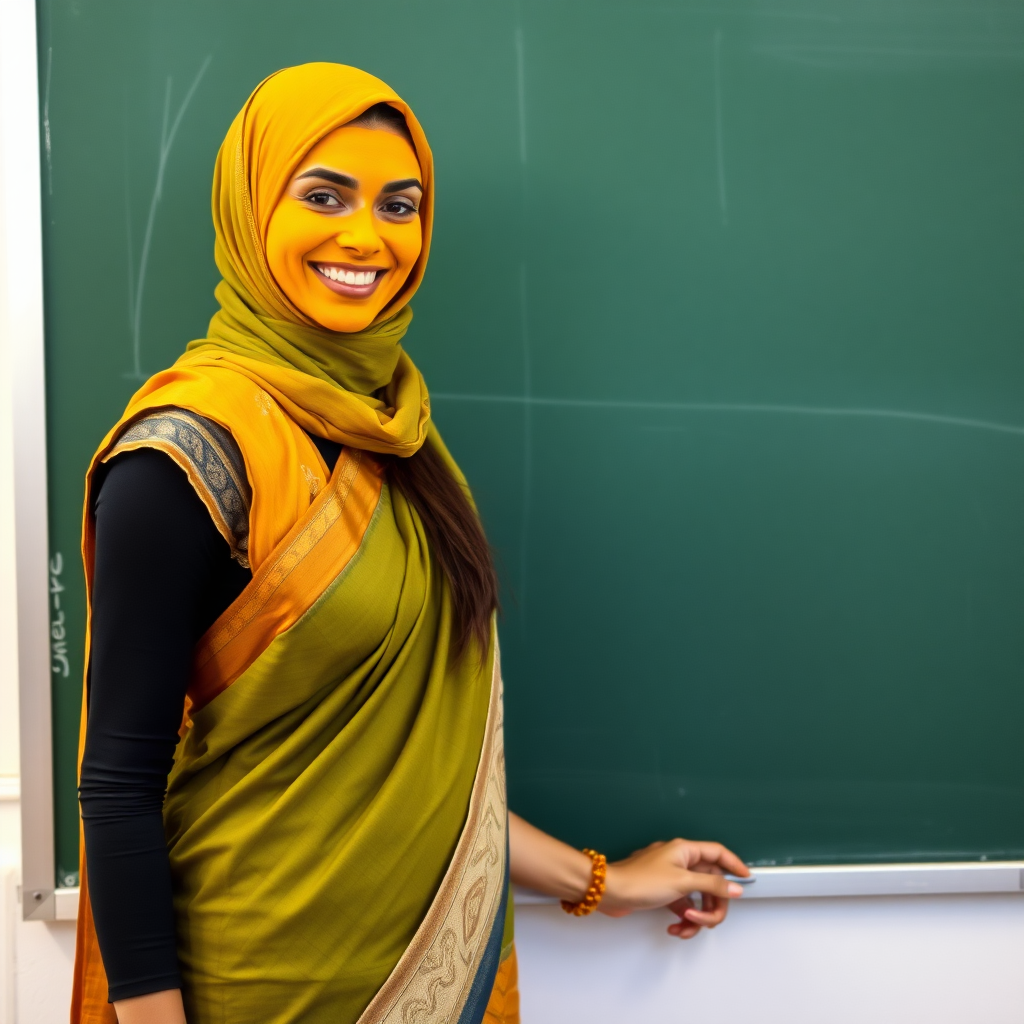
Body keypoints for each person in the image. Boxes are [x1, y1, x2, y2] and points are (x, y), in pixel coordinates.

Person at [71, 63, 749, 1024]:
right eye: (323, 195)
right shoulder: (184, 456)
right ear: (250, 208)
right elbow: (117, 788)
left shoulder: (403, 439)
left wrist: (605, 879)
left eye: (400, 203)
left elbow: (419, 775)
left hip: (437, 968)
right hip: (261, 986)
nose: (367, 236)